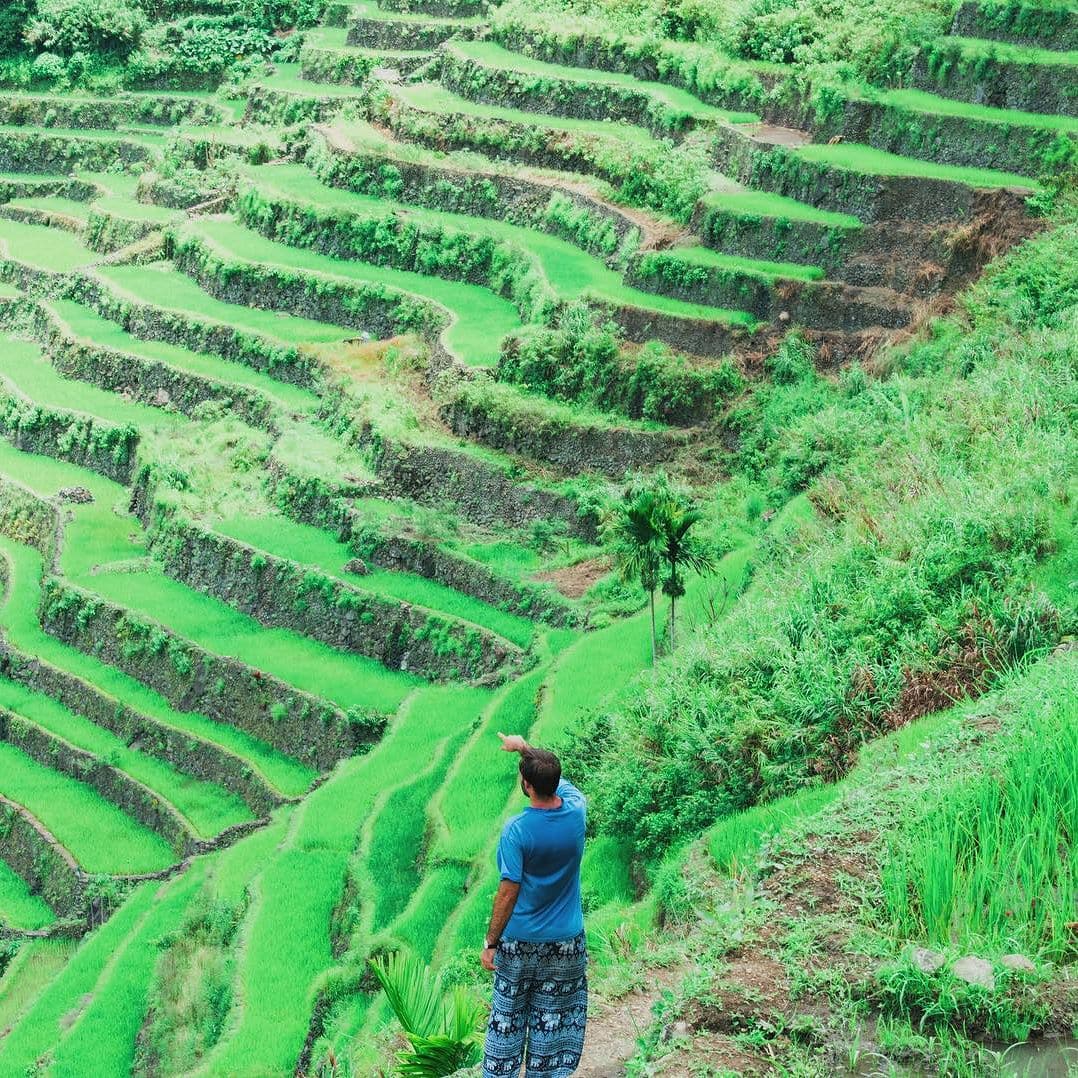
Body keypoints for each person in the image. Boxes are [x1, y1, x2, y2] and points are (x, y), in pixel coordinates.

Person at [480, 732, 588, 1078]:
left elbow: (508, 891)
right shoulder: (576, 810)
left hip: (521, 943)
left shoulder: (517, 830)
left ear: (526, 785)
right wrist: (526, 749)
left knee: (508, 1017)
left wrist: (491, 942)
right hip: (566, 943)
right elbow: (557, 780)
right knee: (552, 1019)